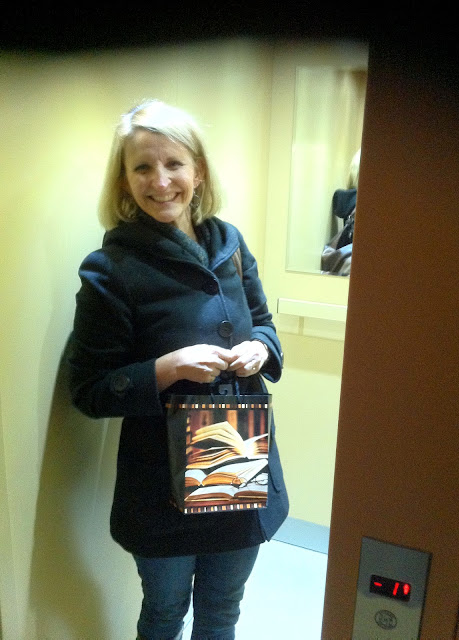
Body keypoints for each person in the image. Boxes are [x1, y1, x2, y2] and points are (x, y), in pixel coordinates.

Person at [69, 99, 289, 640]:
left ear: (199, 171)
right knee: (165, 613)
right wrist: (165, 369)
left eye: (174, 163)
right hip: (161, 481)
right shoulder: (111, 268)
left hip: (238, 457)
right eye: (143, 166)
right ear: (124, 181)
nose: (161, 181)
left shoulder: (229, 244)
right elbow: (90, 390)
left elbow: (264, 324)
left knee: (222, 610)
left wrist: (261, 348)